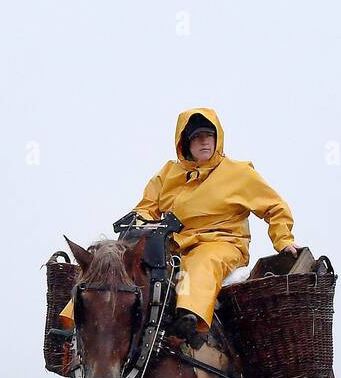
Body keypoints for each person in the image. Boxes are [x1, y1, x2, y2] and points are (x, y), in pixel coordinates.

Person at [61, 107, 298, 344]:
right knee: (114, 266)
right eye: (196, 137)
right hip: (172, 246)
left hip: (220, 243)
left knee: (201, 264)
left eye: (208, 135)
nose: (204, 141)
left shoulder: (240, 173)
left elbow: (274, 207)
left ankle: (190, 320)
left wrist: (284, 240)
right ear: (185, 143)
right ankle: (74, 324)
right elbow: (146, 207)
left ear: (217, 138)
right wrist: (139, 223)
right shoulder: (168, 173)